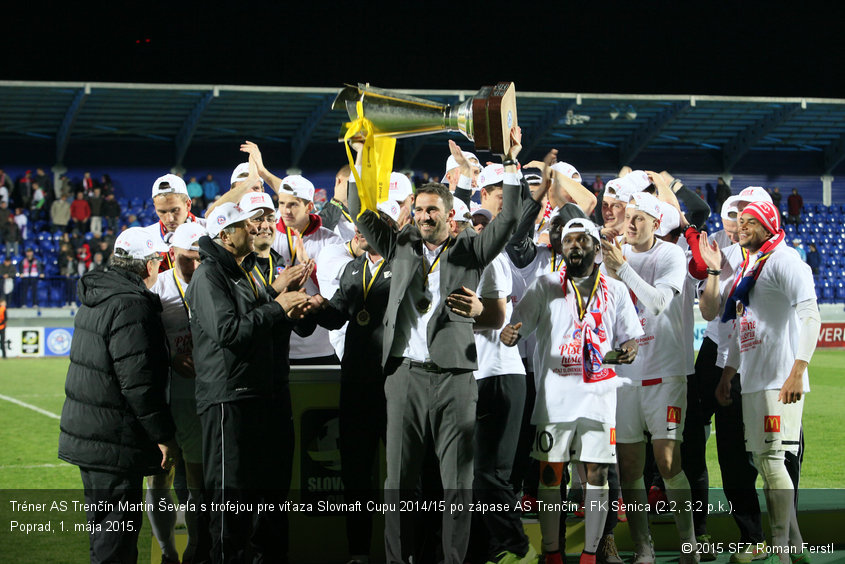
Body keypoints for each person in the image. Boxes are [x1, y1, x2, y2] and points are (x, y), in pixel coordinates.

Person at [352, 127, 522, 564]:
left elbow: (506, 221)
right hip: (404, 377)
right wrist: (361, 160)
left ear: (450, 215)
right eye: (420, 209)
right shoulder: (400, 244)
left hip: (456, 379)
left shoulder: (470, 250)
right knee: (398, 482)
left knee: (457, 484)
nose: (425, 216)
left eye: (433, 210)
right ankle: (398, 559)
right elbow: (363, 214)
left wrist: (510, 164)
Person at [501, 218, 642, 564]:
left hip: (599, 397)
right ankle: (553, 552)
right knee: (551, 474)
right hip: (555, 399)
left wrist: (630, 349)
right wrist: (510, 334)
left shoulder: (616, 290)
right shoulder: (544, 285)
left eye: (581, 241)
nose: (574, 247)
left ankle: (591, 553)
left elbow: (631, 336)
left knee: (596, 474)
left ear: (596, 246)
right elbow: (518, 325)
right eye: (568, 242)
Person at [185, 202, 313, 563]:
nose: (257, 228)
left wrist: (293, 307)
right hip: (229, 398)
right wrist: (277, 302)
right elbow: (229, 332)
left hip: (260, 394)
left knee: (268, 496)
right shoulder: (210, 275)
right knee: (231, 498)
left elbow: (256, 319)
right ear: (226, 235)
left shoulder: (245, 270)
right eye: (247, 224)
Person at [700, 201, 820, 564]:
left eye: (751, 223)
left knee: (770, 462)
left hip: (779, 378)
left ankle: (782, 549)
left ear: (769, 226)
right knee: (765, 460)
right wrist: (727, 374)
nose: (743, 227)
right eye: (741, 222)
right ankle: (797, 549)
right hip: (752, 381)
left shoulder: (785, 262)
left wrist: (798, 370)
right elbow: (741, 330)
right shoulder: (749, 269)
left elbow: (811, 314)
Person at [57, 227, 180, 564]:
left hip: (93, 434)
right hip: (114, 439)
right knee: (116, 538)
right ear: (151, 265)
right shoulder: (131, 305)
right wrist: (164, 436)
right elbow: (138, 383)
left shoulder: (98, 295)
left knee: (105, 531)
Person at [601, 192, 699, 563]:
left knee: (668, 460)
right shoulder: (609, 252)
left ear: (656, 224)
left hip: (665, 373)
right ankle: (644, 549)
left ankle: (688, 545)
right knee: (628, 465)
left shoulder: (670, 254)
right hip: (624, 377)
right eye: (628, 216)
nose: (630, 223)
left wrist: (623, 268)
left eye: (639, 218)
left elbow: (657, 302)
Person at [148, 222, 207, 564]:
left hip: (198, 399)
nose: (194, 267)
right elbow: (143, 344)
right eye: (187, 259)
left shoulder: (211, 284)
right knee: (159, 478)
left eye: (200, 259)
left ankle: (198, 550)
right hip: (165, 400)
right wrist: (171, 357)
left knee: (198, 479)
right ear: (172, 255)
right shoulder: (158, 291)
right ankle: (168, 552)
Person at [147, 174, 205, 271]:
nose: (169, 219)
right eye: (162, 212)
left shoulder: (210, 231)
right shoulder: (147, 238)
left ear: (188, 204)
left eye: (175, 210)